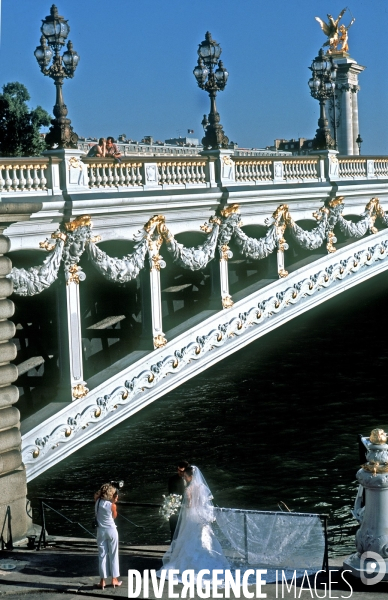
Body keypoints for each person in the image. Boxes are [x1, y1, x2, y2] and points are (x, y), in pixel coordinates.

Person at [158, 466, 230, 585]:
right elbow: (205, 504)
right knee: (204, 541)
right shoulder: (202, 488)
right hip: (201, 519)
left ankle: (191, 565)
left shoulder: (189, 489)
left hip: (191, 518)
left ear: (190, 476)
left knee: (189, 541)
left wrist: (179, 505)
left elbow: (190, 506)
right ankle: (207, 563)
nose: (185, 478)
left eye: (186, 476)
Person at [94, 483, 122, 590]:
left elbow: (96, 494)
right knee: (113, 555)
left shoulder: (97, 501)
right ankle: (114, 579)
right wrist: (114, 503)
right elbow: (114, 516)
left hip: (100, 531)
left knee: (102, 556)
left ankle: (102, 581)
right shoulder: (112, 505)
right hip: (111, 531)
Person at [168, 460, 189, 540]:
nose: (179, 472)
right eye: (178, 470)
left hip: (187, 507)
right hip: (176, 506)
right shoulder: (172, 479)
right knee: (174, 529)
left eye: (181, 471)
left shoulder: (190, 480)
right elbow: (171, 493)